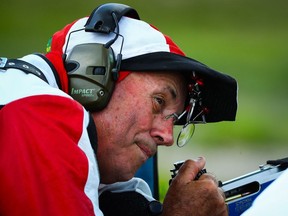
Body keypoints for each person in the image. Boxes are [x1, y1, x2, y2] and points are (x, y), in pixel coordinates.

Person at [0, 3, 238, 216]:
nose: (167, 137)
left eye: (174, 119)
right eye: (159, 101)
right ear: (93, 78)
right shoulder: (39, 113)